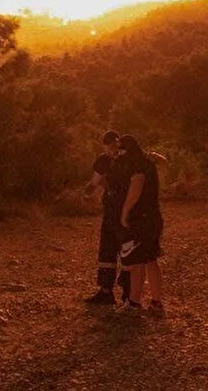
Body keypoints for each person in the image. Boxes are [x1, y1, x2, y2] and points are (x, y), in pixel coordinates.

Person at [115, 133, 165, 316]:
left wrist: (125, 212)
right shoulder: (146, 162)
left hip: (141, 219)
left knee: (138, 261)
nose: (119, 152)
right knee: (149, 259)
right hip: (152, 216)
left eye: (121, 148)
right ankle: (154, 302)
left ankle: (135, 302)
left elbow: (136, 187)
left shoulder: (137, 164)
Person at [83, 130, 130, 305]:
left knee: (127, 251)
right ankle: (105, 291)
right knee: (107, 250)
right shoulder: (103, 161)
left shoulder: (128, 160)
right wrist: (88, 191)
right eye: (107, 147)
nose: (111, 150)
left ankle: (129, 293)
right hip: (110, 211)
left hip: (126, 212)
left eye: (113, 146)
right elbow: (95, 181)